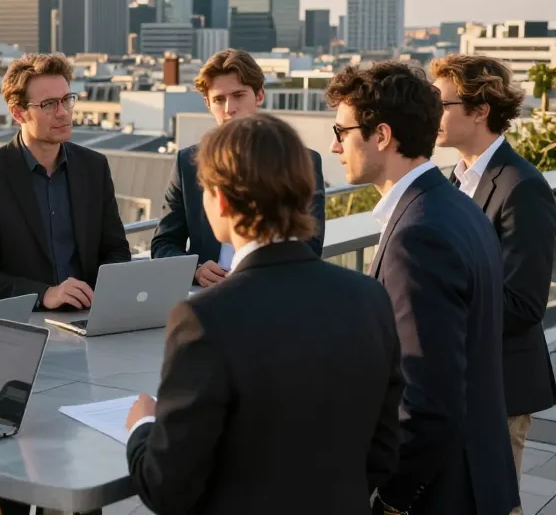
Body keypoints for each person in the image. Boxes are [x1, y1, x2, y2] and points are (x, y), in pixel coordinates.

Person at [124, 114, 402, 514]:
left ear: (219, 200)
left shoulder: (203, 319)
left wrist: (142, 426)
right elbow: (383, 451)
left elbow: (166, 487)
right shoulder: (369, 297)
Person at [326, 61, 519, 515]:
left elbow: (429, 402)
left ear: (383, 136)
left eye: (342, 130)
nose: (335, 145)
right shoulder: (454, 204)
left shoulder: (418, 234)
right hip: (479, 476)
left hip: (444, 493)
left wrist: (392, 500)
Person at [0, 52, 130, 515]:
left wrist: (103, 300)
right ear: (19, 112)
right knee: (9, 489)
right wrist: (44, 294)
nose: (64, 113)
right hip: (14, 349)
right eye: (49, 104)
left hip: (83, 346)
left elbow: (115, 252)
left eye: (67, 100)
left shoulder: (94, 168)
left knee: (78, 475)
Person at [432, 54, 556, 480]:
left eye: (442, 104)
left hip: (500, 387)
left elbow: (523, 302)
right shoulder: (456, 179)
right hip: (458, 381)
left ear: (480, 110)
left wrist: (436, 309)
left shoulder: (522, 187)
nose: (434, 114)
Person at [151, 49, 326, 286]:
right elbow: (163, 244)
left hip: (275, 289)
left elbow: (310, 243)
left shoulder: (302, 160)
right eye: (219, 99)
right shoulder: (188, 163)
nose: (229, 108)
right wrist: (195, 269)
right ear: (207, 103)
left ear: (259, 95)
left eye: (238, 95)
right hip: (207, 295)